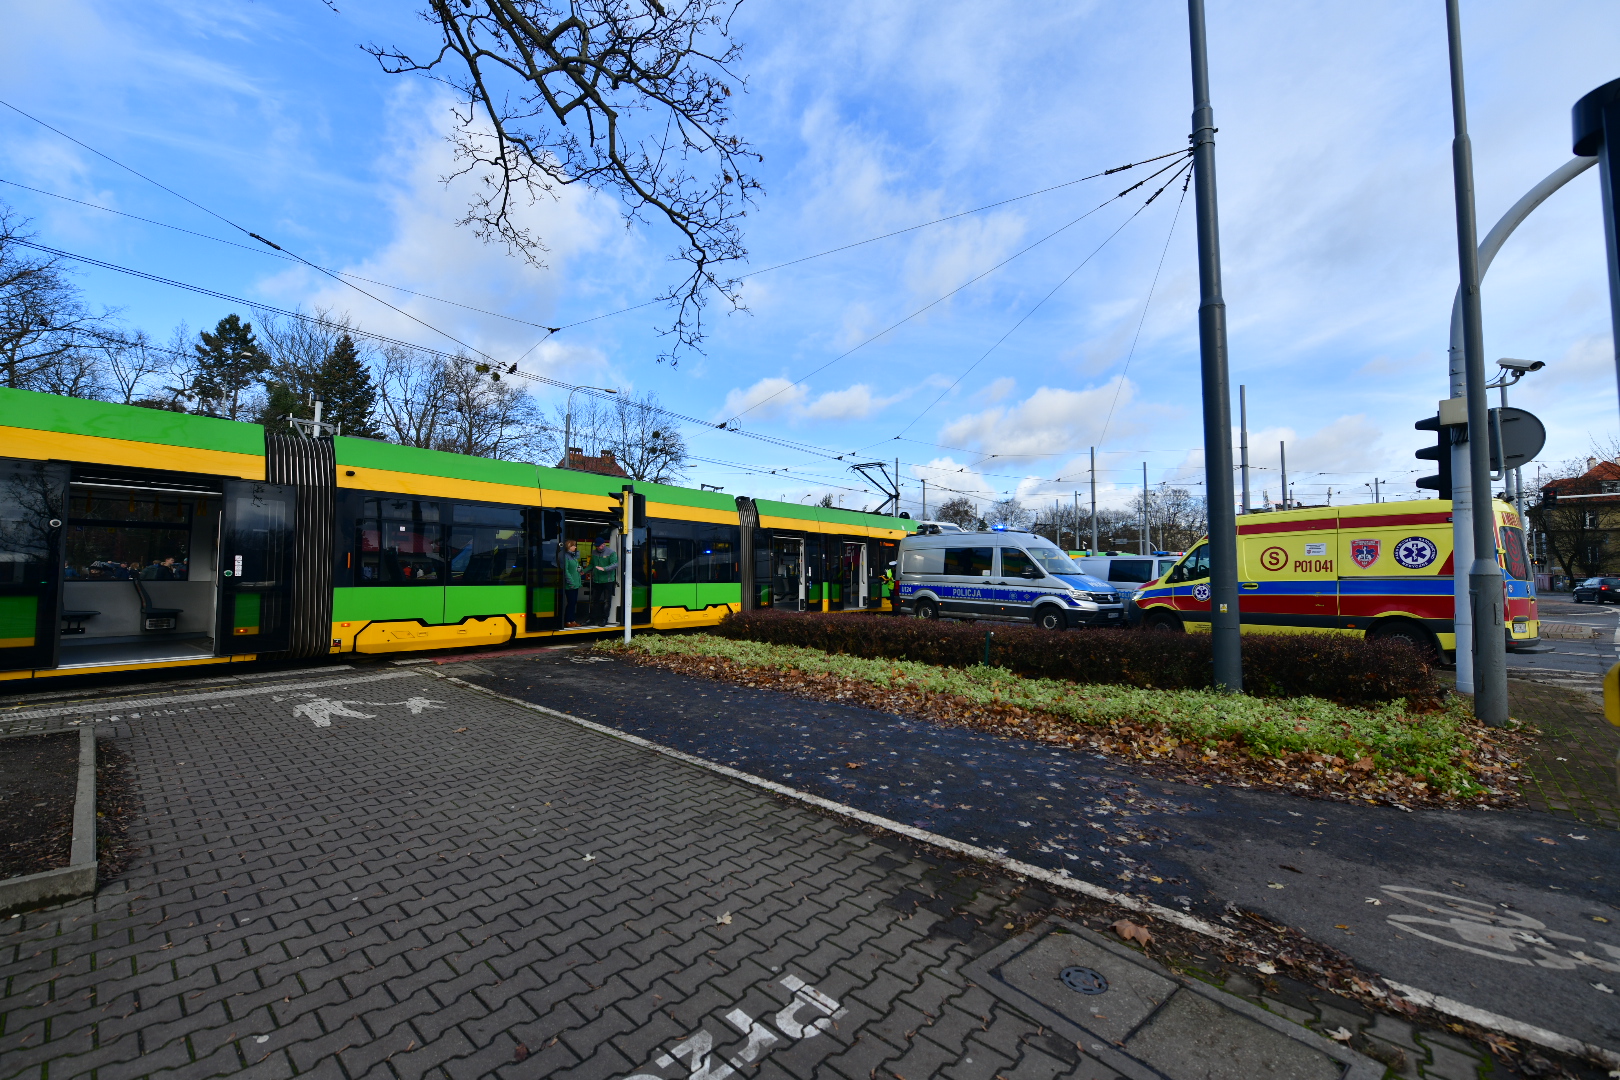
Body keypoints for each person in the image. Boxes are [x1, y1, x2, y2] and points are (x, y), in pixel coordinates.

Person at [590, 539, 619, 624]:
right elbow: (592, 564)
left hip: (608, 581)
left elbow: (615, 564)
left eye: (599, 545)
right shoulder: (594, 552)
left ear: (604, 544)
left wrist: (604, 569)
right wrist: (584, 571)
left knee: (607, 601)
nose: (597, 547)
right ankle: (591, 619)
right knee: (594, 601)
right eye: (596, 546)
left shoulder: (611, 552)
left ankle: (604, 619)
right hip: (597, 581)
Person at [562, 540, 582, 627]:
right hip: (570, 585)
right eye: (573, 546)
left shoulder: (573, 556)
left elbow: (576, 568)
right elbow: (565, 571)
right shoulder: (566, 557)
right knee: (571, 602)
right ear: (568, 547)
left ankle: (572, 620)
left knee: (573, 603)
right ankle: (567, 620)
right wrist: (571, 582)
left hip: (575, 583)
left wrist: (580, 569)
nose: (575, 547)